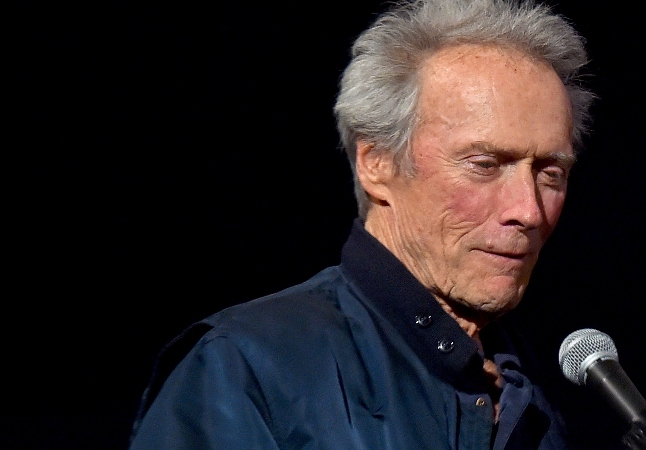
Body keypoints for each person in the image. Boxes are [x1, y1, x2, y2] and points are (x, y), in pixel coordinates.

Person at [128, 0, 595, 448]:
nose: (529, 211)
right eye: (484, 164)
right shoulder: (245, 369)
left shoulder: (548, 398)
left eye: (551, 173)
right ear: (377, 163)